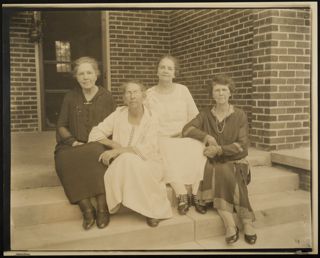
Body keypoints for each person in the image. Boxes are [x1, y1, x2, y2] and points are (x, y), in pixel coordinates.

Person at [182, 75, 257, 245]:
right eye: (217, 90)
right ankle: (241, 222)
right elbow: (186, 130)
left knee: (227, 169)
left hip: (237, 161)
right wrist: (206, 136)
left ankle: (235, 223)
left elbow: (242, 146)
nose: (221, 93)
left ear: (230, 93)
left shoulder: (240, 115)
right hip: (214, 163)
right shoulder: (205, 115)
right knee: (221, 169)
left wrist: (220, 150)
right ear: (212, 94)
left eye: (224, 90)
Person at [88, 80, 172, 227]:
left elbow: (148, 147)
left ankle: (152, 210)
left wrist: (119, 151)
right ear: (124, 98)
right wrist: (113, 144)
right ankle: (149, 210)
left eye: (136, 92)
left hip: (148, 162)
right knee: (126, 159)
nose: (132, 96)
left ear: (143, 96)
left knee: (128, 159)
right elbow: (95, 133)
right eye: (128, 92)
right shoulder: (118, 114)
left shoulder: (152, 117)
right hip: (122, 163)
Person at [54, 56, 115, 230]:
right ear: (76, 76)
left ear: (96, 74)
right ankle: (86, 209)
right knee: (63, 158)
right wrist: (73, 142)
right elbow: (61, 125)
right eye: (81, 73)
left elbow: (114, 125)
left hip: (97, 144)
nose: (85, 77)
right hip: (73, 145)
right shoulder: (70, 96)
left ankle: (102, 208)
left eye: (89, 72)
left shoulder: (106, 97)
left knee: (96, 153)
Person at [145, 54, 207, 215]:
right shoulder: (149, 94)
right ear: (157, 71)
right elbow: (146, 122)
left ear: (175, 73)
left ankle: (196, 192)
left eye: (169, 68)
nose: (166, 71)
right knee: (165, 149)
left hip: (184, 134)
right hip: (161, 137)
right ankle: (181, 193)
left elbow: (195, 116)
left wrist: (185, 132)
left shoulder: (183, 90)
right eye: (162, 67)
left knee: (198, 147)